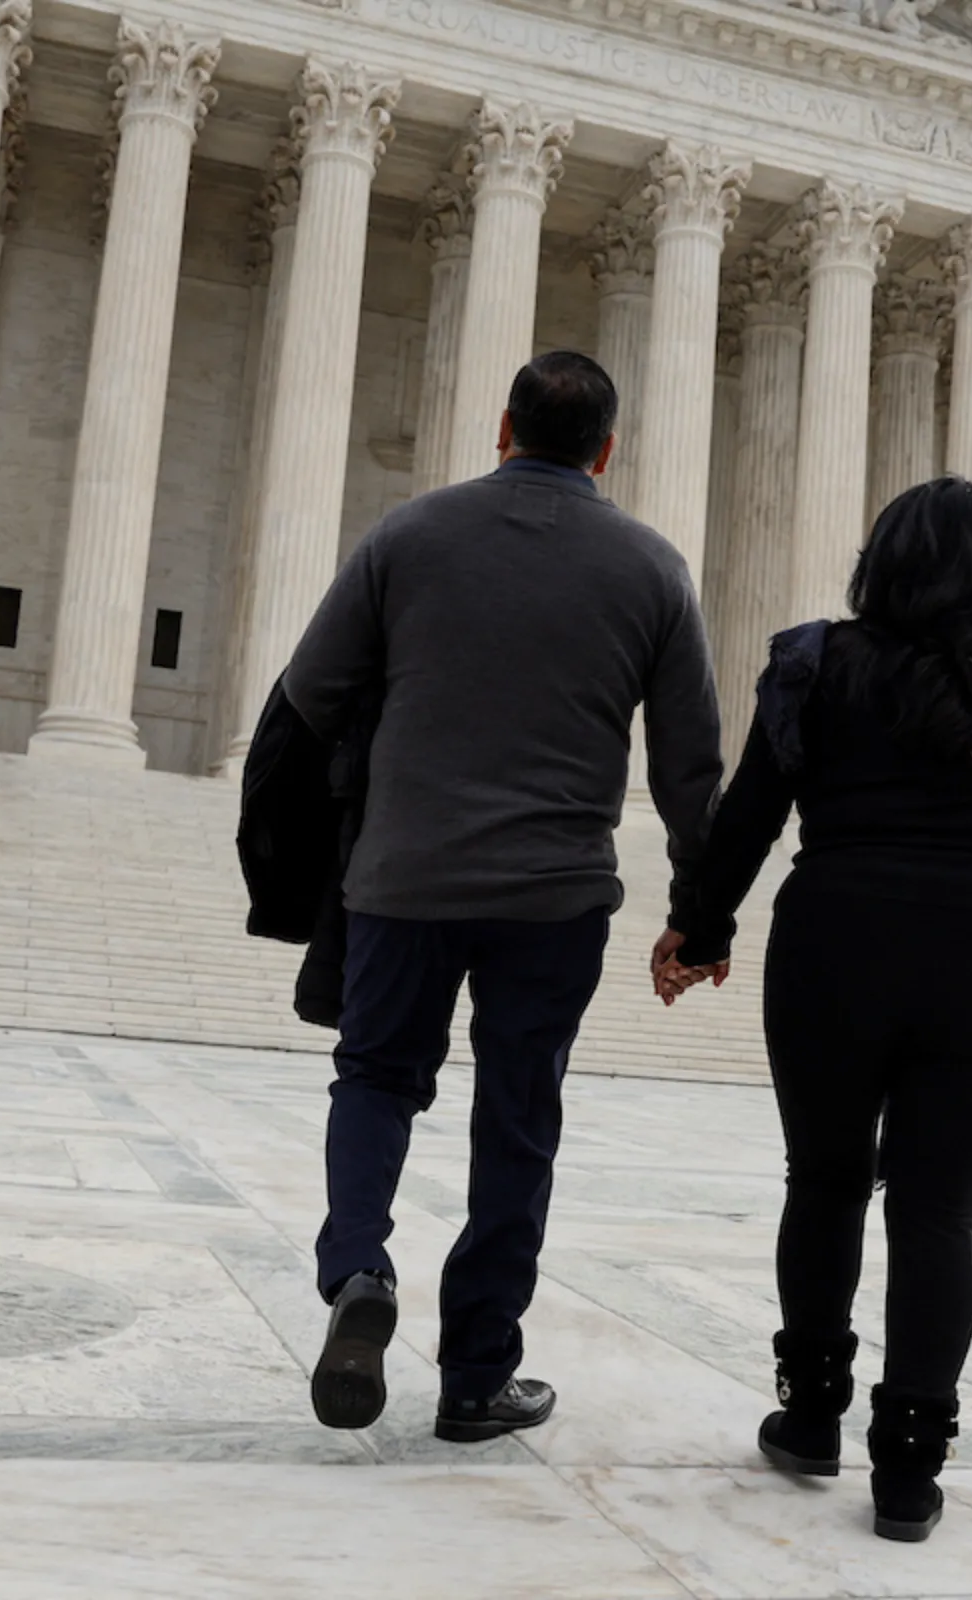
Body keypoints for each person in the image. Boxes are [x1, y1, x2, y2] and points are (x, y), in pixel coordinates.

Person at [277, 352, 723, 1442]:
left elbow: (309, 693)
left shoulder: (407, 536)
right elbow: (690, 770)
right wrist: (700, 914)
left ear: (502, 428)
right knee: (517, 1123)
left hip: (404, 874)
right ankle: (477, 1376)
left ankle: (356, 1273)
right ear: (606, 450)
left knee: (376, 1078)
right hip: (556, 895)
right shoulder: (654, 569)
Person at [655, 477, 972, 1543]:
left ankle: (811, 1414)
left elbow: (751, 818)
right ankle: (908, 1473)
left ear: (883, 559)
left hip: (836, 941)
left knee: (822, 1181)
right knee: (940, 1213)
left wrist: (700, 929)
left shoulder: (820, 663)